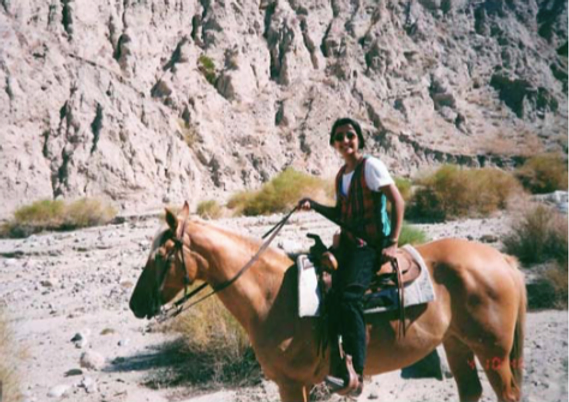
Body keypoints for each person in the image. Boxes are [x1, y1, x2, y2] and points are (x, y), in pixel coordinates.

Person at [298, 117, 405, 396]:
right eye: (339, 137)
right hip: (348, 246)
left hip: (368, 246)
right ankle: (332, 363)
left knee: (350, 297)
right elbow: (341, 214)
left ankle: (356, 374)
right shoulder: (341, 174)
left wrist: (392, 242)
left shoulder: (371, 167)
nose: (345, 141)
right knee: (325, 292)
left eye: (350, 135)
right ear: (334, 143)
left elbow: (397, 200)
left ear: (358, 138)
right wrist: (315, 205)